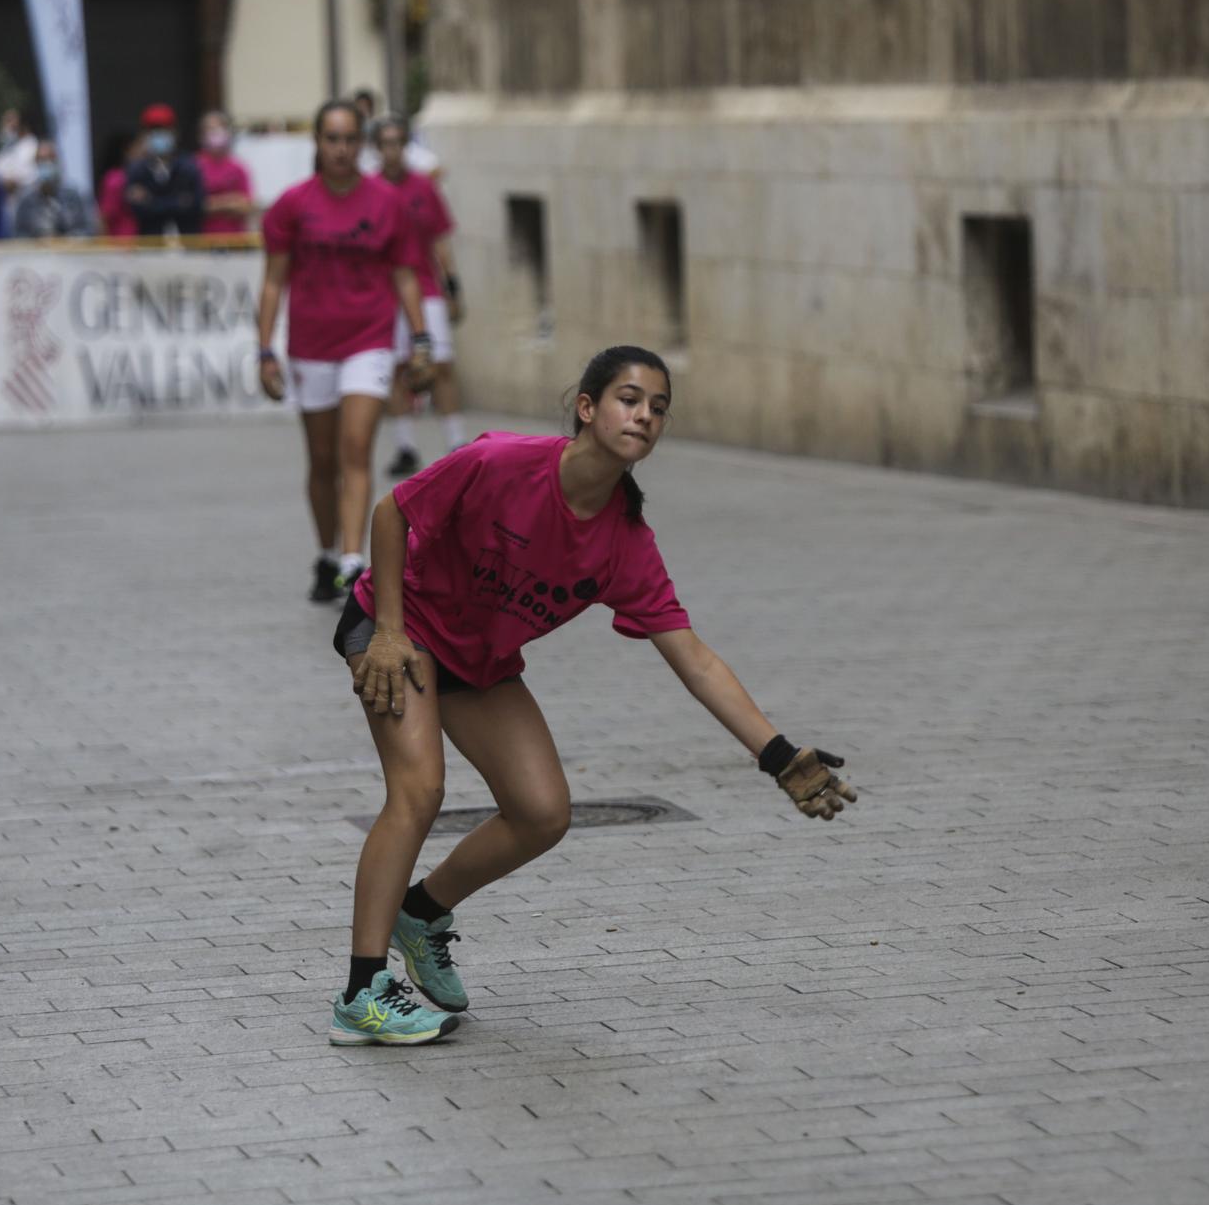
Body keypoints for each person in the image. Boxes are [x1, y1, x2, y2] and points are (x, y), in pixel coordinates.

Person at [323, 346, 859, 1045]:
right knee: (419, 789)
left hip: (477, 660)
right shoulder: (502, 461)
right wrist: (389, 629)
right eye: (630, 398)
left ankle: (421, 913)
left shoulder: (625, 542)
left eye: (658, 407)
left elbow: (693, 657)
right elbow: (394, 511)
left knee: (543, 811)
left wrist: (778, 754)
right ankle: (362, 993)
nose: (644, 414)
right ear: (587, 407)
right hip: (399, 628)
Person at [255, 98, 429, 603]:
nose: (342, 149)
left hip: (369, 341)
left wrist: (419, 337)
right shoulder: (292, 205)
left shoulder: (386, 203)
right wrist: (264, 350)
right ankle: (327, 553)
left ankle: (353, 565)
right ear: (317, 143)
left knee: (356, 449)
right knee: (322, 460)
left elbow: (405, 274)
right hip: (311, 346)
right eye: (332, 139)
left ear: (364, 144)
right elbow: (272, 283)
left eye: (351, 139)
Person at [376, 115, 466, 478]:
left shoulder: (423, 188)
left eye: (398, 142)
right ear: (377, 148)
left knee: (440, 365)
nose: (392, 150)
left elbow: (440, 240)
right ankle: (406, 447)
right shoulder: (370, 190)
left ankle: (457, 442)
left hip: (426, 288)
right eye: (385, 143)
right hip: (385, 295)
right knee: (397, 369)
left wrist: (453, 285)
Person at [124, 103, 203, 236]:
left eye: (164, 130)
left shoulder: (189, 166)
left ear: (174, 132)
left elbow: (196, 204)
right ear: (145, 134)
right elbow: (136, 209)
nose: (159, 135)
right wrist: (178, 201)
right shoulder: (136, 169)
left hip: (188, 241)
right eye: (154, 130)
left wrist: (151, 201)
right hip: (151, 242)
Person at [11, 141, 96, 239]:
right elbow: (19, 235)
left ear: (57, 162)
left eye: (50, 158)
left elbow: (89, 229)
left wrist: (69, 241)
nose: (45, 164)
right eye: (41, 160)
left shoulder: (75, 196)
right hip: (38, 253)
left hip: (70, 252)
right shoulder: (25, 201)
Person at [196, 110, 255, 236]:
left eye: (219, 128)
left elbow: (246, 206)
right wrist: (230, 200)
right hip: (202, 240)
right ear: (202, 134)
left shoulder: (238, 167)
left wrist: (213, 204)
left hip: (235, 239)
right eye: (210, 129)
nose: (215, 133)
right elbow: (195, 205)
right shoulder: (194, 166)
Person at [97, 130, 144, 238]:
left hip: (144, 245)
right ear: (127, 150)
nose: (144, 151)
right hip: (121, 246)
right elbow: (104, 218)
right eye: (139, 146)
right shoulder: (115, 179)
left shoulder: (145, 175)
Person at [0, 107, 40, 198]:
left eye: (10, 121)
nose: (7, 125)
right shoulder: (4, 150)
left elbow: (32, 175)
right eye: (5, 121)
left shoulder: (32, 145)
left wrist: (15, 182)